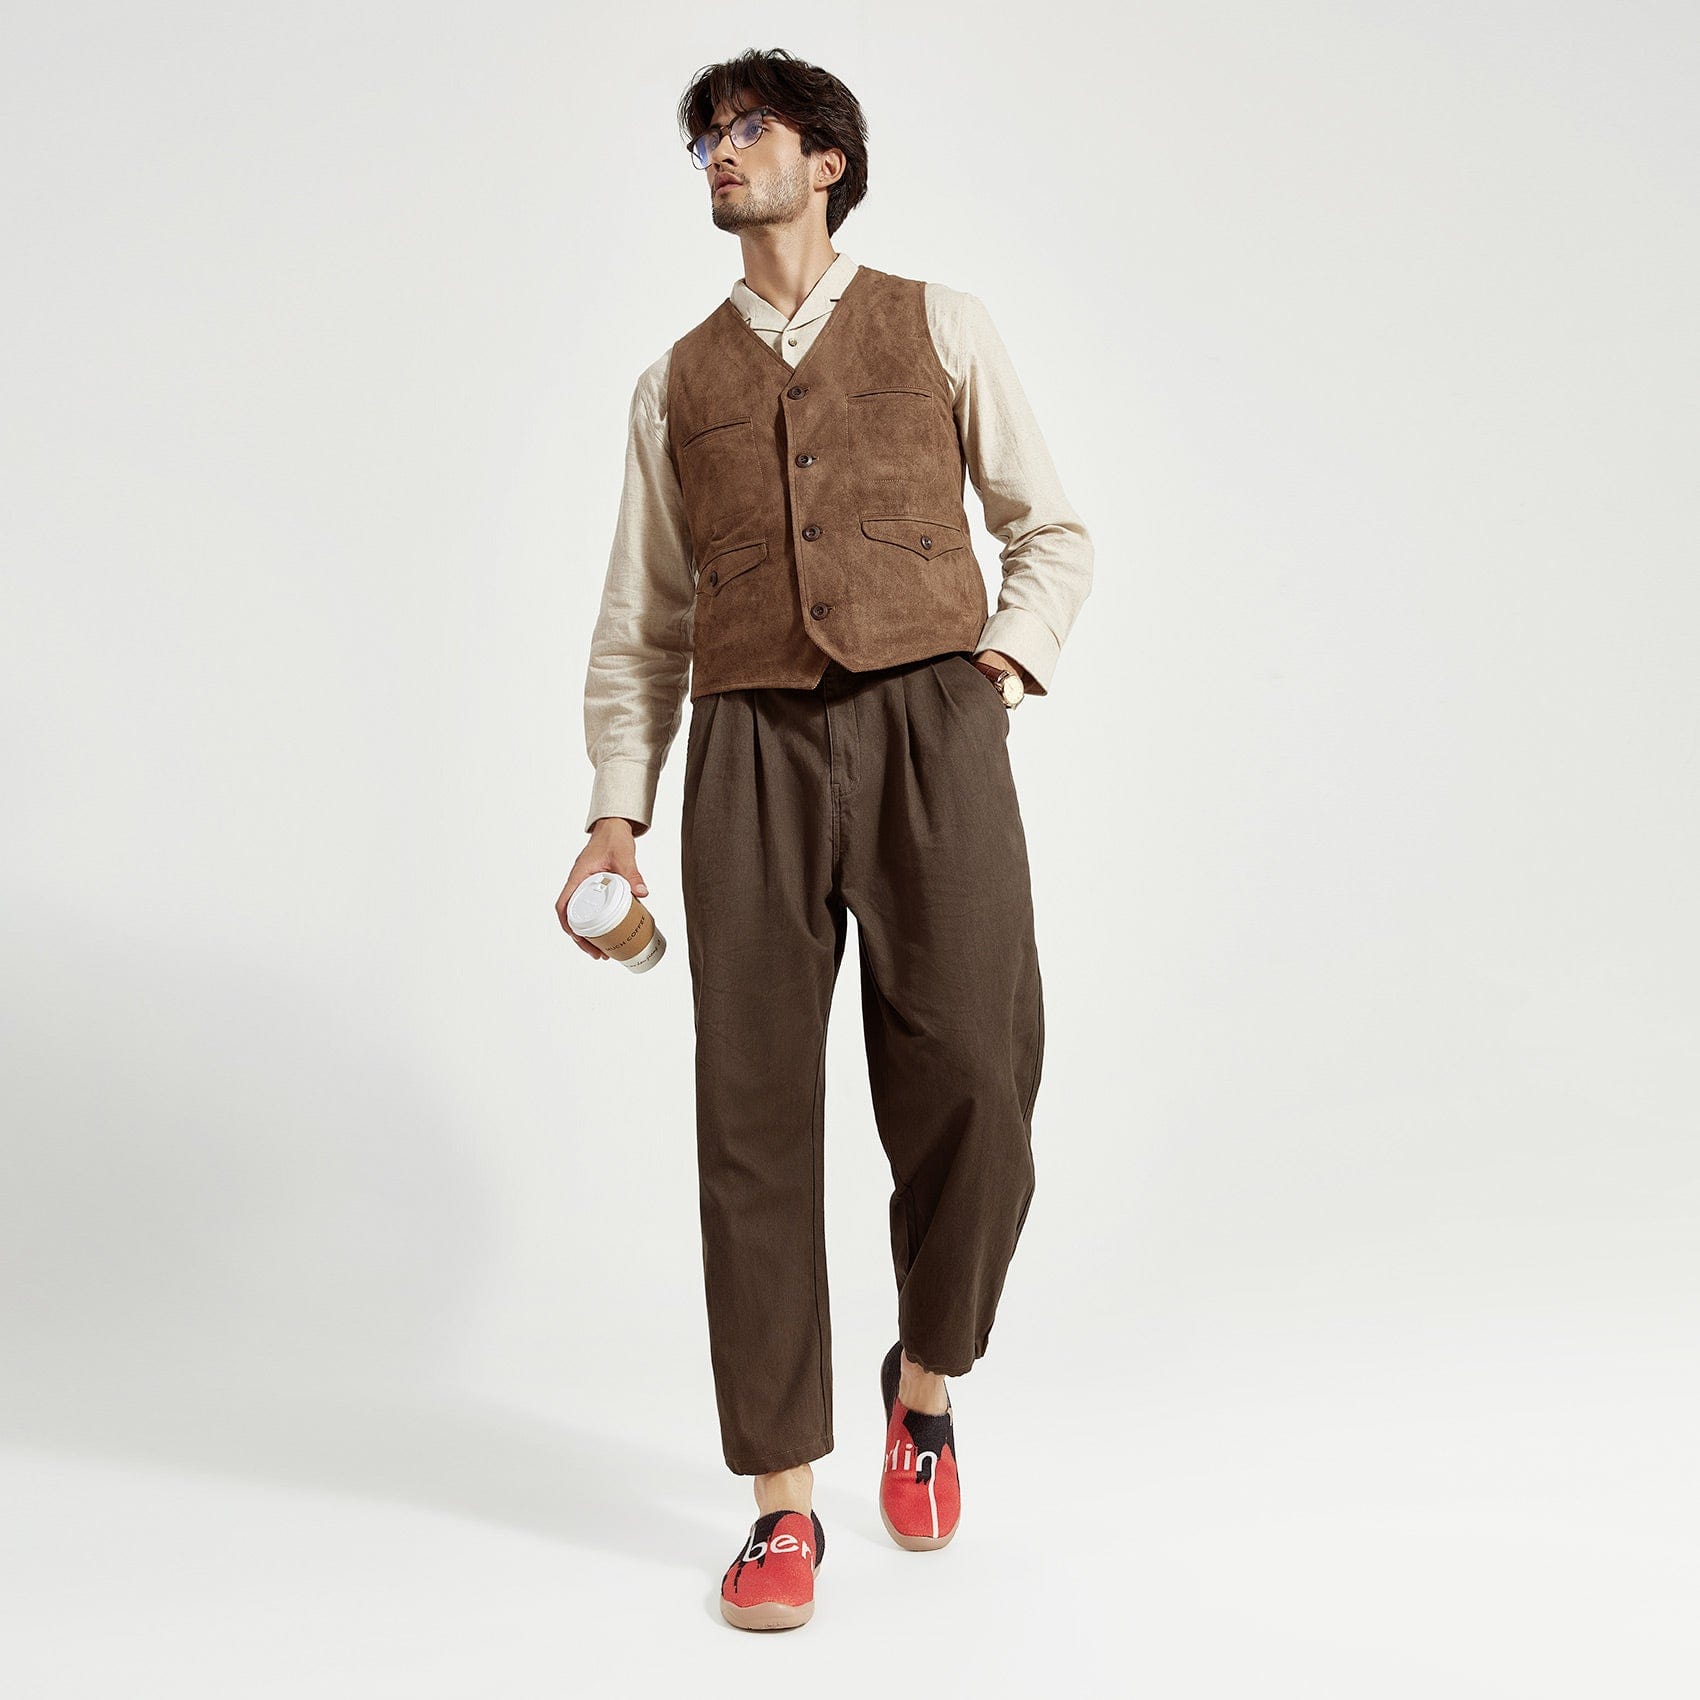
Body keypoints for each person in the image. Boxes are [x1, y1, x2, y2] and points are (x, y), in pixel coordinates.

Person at [555, 47, 1093, 1631]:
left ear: (829, 160)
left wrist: (999, 669)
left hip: (934, 732)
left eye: (748, 130)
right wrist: (614, 810)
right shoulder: (672, 385)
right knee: (752, 1121)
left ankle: (926, 1382)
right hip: (750, 754)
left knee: (981, 1074)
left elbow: (1052, 530)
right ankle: (781, 1503)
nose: (721, 155)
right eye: (706, 140)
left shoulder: (941, 323)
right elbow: (639, 624)